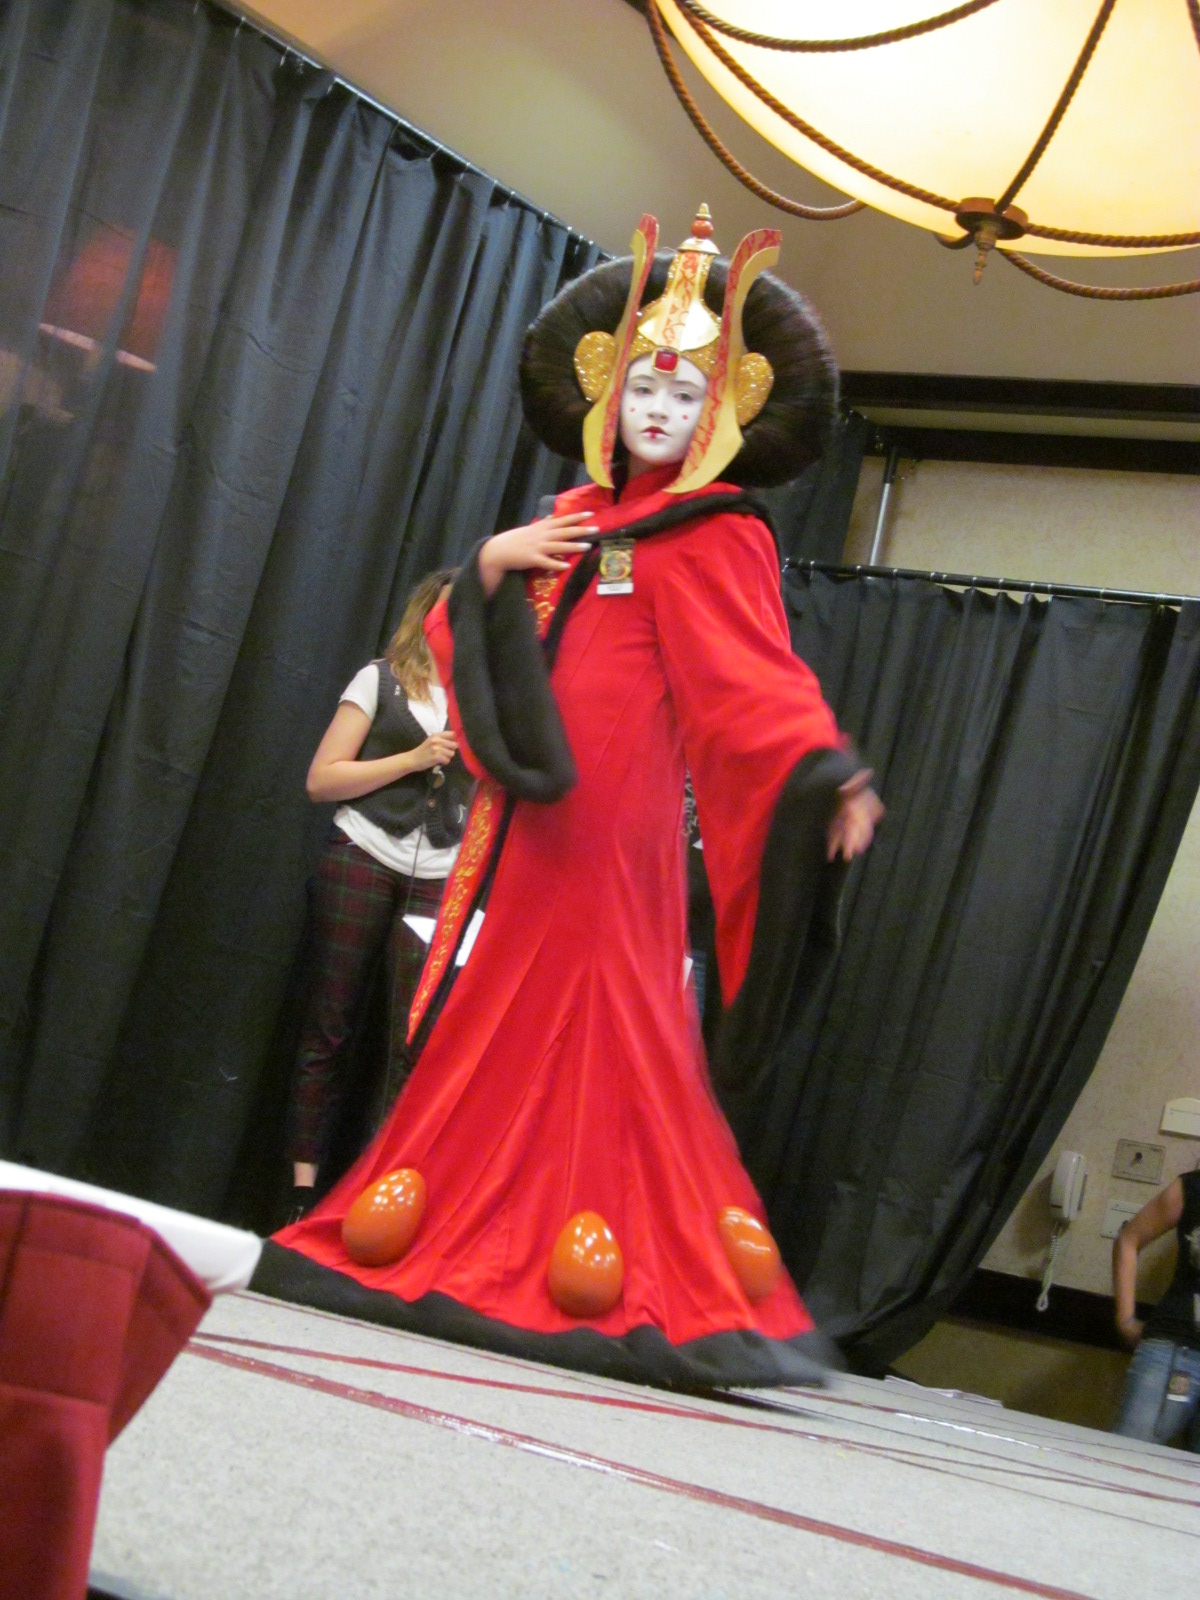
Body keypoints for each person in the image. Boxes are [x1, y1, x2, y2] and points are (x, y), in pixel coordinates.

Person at [262, 206, 882, 1387]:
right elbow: (462, 655)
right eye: (642, 388)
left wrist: (828, 771)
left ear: (720, 416)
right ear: (605, 396)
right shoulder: (567, 519)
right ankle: (468, 1226)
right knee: (499, 1007)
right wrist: (492, 568)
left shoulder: (718, 533)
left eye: (684, 395)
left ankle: (601, 1251)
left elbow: (756, 684)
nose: (657, 410)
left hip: (616, 828)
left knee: (613, 1016)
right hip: (527, 828)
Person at [286, 570, 471, 1211]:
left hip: (439, 878)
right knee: (329, 1027)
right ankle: (301, 1194)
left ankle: (375, 1201)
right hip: (361, 855)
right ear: (428, 616)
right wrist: (412, 759)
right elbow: (321, 780)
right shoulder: (380, 679)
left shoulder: (486, 704)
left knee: (413, 1044)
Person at [1112, 1168, 1200, 1449]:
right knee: (1125, 1461)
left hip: (1175, 1354)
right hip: (1174, 1353)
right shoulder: (1193, 1187)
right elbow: (1129, 1239)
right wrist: (1125, 1320)